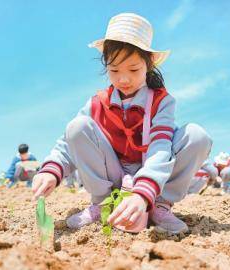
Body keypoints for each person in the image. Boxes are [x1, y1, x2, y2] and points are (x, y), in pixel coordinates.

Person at [32, 13, 212, 234]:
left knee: (197, 136)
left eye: (134, 69)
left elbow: (160, 147)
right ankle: (103, 203)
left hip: (152, 177)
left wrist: (143, 193)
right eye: (114, 70)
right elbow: (68, 144)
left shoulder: (161, 101)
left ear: (150, 64)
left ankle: (160, 205)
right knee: (77, 126)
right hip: (114, 174)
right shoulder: (98, 103)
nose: (123, 79)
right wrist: (51, 170)